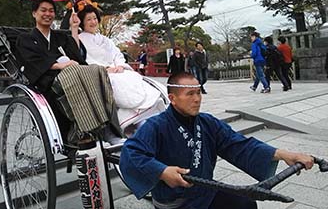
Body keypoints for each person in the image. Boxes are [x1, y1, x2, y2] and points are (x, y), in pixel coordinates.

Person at [120, 72, 314, 209]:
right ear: (173, 98)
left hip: (204, 193)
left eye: (198, 93)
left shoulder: (207, 123)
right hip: (175, 202)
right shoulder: (155, 126)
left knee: (245, 204)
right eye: (190, 94)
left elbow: (237, 144)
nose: (197, 99)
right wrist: (162, 171)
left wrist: (283, 154)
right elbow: (131, 153)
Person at [15, 0, 121, 144]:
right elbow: (31, 62)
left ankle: (109, 130)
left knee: (97, 71)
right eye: (43, 10)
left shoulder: (60, 37)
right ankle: (86, 131)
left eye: (51, 11)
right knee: (73, 73)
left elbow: (77, 57)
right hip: (47, 81)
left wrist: (74, 27)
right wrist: (59, 65)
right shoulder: (25, 38)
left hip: (72, 74)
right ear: (34, 13)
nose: (48, 14)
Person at [77, 4, 164, 133]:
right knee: (119, 83)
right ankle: (136, 118)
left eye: (95, 18)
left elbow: (117, 54)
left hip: (116, 69)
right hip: (100, 73)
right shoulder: (80, 40)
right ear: (82, 22)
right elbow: (85, 60)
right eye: (88, 19)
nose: (93, 22)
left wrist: (119, 65)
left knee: (134, 77)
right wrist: (104, 69)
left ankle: (148, 111)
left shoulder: (105, 39)